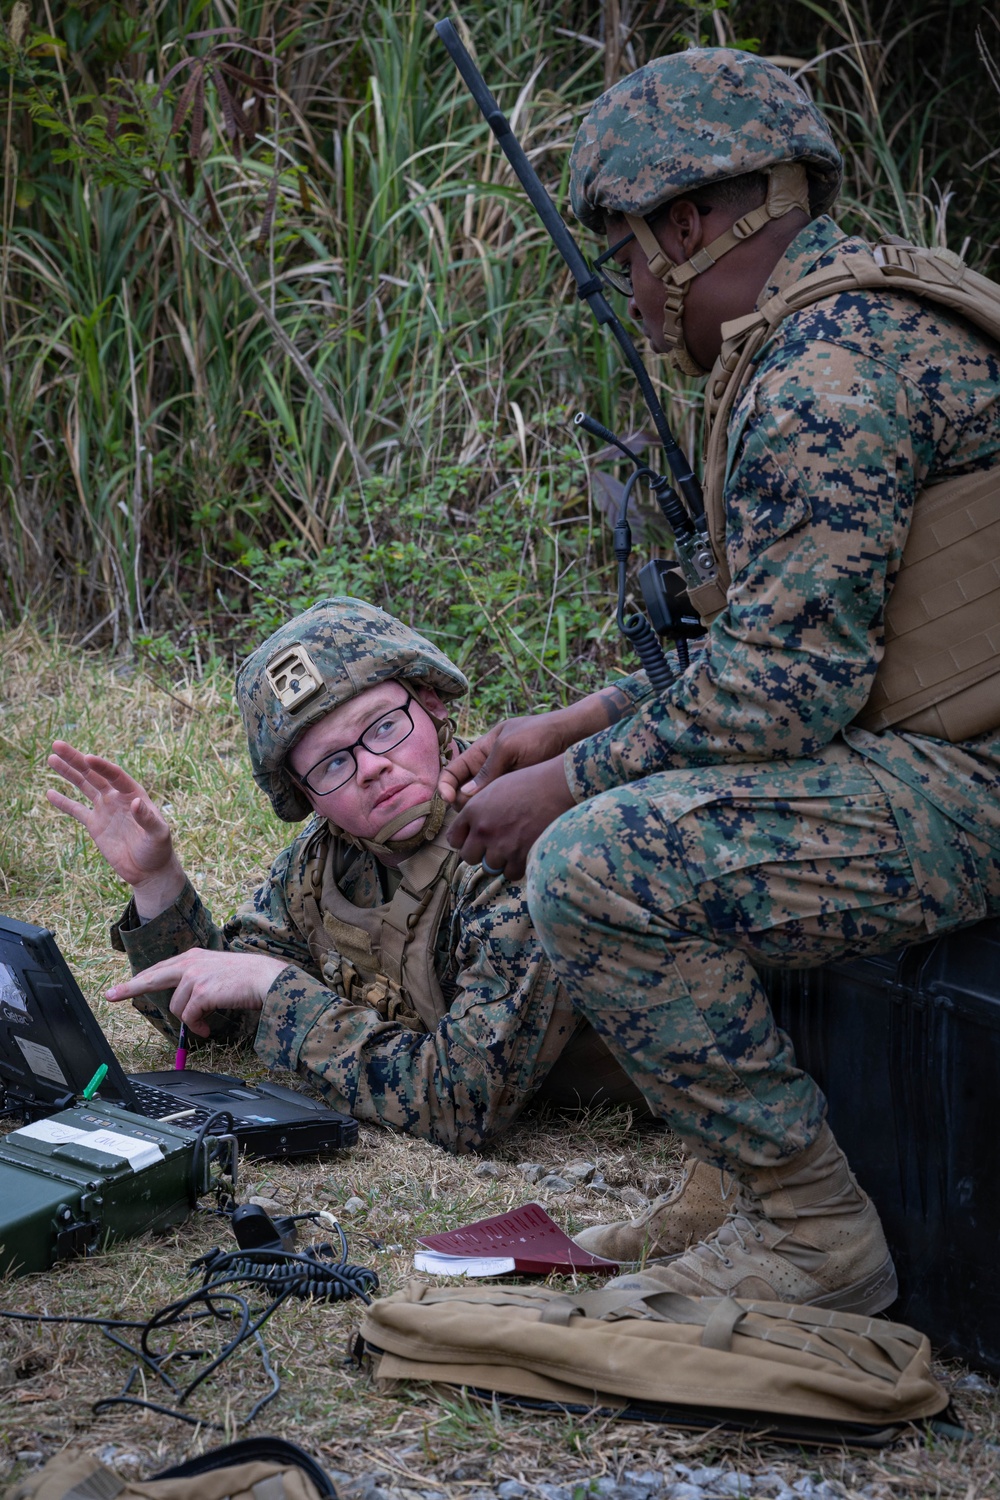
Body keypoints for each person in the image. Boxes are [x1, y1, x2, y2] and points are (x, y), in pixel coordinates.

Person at [440, 47, 1000, 1310]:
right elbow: (811, 643)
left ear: (691, 223)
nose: (633, 289)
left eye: (629, 254)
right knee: (672, 808)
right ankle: (728, 1178)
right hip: (949, 738)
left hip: (974, 779)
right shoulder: (865, 311)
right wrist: (574, 720)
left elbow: (782, 696)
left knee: (596, 864)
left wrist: (571, 781)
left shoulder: (823, 376)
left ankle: (809, 1226)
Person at [46, 597, 657, 1155]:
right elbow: (218, 1018)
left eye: (385, 728)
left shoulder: (519, 843)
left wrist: (280, 987)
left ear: (433, 703)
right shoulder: (325, 863)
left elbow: (462, 1104)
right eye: (334, 763)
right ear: (308, 796)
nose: (371, 769)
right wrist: (158, 883)